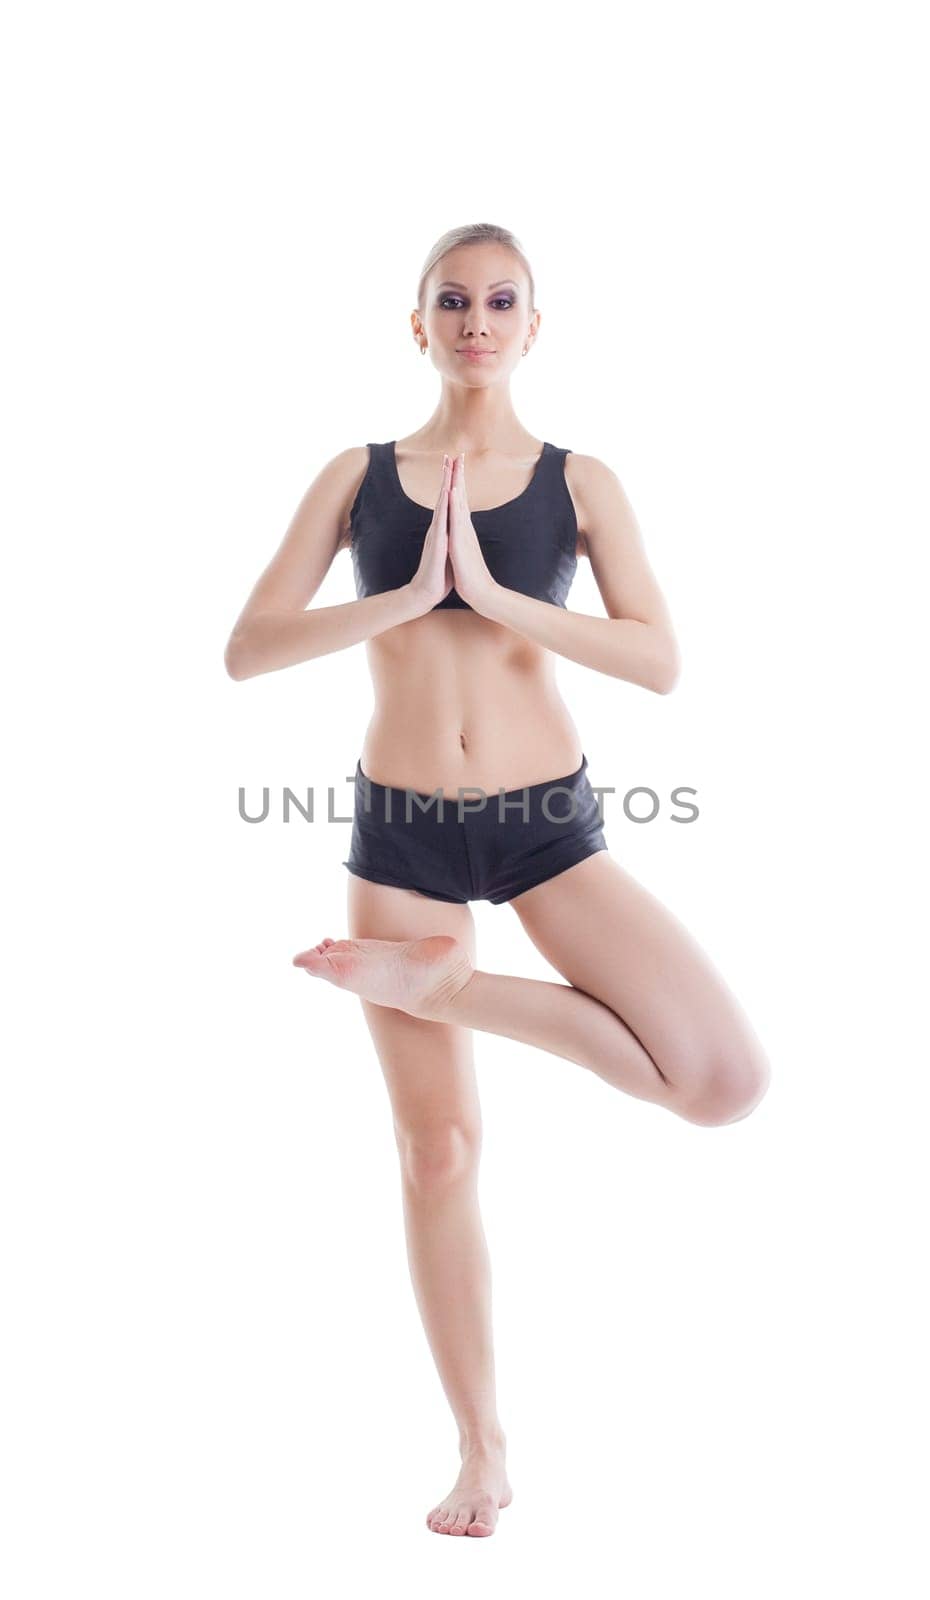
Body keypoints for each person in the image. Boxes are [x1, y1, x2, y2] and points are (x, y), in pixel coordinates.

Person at [224, 222, 772, 1539]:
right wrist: (408, 589)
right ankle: (482, 1455)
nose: (476, 319)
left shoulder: (581, 483)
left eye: (500, 300)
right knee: (438, 1149)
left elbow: (658, 661)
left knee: (720, 1082)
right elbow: (247, 649)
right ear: (417, 324)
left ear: (535, 325)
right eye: (451, 300)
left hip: (542, 828)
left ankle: (445, 989)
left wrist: (495, 593)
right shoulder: (355, 475)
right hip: (401, 832)